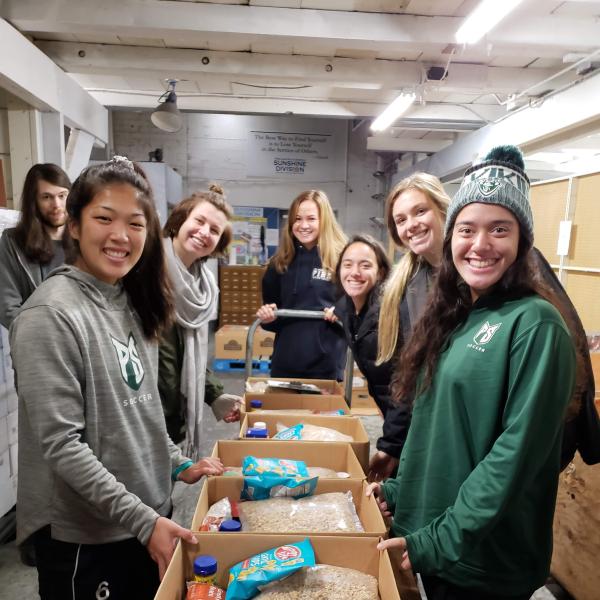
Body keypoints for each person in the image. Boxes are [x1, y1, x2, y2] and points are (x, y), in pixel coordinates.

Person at [9, 157, 223, 600]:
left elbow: (138, 409)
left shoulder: (130, 300)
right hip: (87, 537)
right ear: (73, 225)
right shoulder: (49, 315)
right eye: (104, 218)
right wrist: (144, 521)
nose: (120, 236)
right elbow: (63, 446)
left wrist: (175, 461)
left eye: (135, 223)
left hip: (143, 518)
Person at [372, 146, 580, 599]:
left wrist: (442, 537)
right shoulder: (455, 316)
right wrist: (402, 491)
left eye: (499, 230)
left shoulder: (535, 323)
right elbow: (437, 428)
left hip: (484, 557)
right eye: (467, 229)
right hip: (440, 539)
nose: (480, 244)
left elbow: (513, 456)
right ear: (452, 239)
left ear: (522, 242)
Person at [368, 173, 450, 480]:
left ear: (442, 209)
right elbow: (408, 371)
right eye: (401, 219)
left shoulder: (475, 271)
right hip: (429, 423)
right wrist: (392, 445)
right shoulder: (409, 284)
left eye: (420, 211)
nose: (410, 225)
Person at [160, 185, 242, 457]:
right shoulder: (147, 271)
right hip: (142, 413)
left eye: (215, 230)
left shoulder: (202, 285)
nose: (205, 232)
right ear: (180, 219)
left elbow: (185, 353)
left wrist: (215, 395)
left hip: (174, 415)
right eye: (199, 221)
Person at [325, 234, 410, 480]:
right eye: (348, 264)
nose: (355, 272)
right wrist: (335, 314)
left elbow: (404, 385)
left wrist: (389, 446)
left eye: (365, 265)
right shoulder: (349, 308)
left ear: (381, 272)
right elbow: (345, 312)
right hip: (391, 412)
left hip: (408, 417)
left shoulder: (389, 314)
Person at [257, 189, 347, 380]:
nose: (303, 225)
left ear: (324, 221)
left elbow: (357, 306)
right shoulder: (278, 264)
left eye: (311, 219)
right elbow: (273, 317)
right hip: (285, 363)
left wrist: (341, 309)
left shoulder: (342, 260)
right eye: (297, 219)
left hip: (326, 366)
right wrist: (267, 317)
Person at [0, 163, 71, 328]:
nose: (57, 205)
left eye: (62, 195)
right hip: (38, 344)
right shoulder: (13, 243)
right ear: (34, 201)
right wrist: (43, 336)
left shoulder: (86, 239)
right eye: (46, 197)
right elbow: (7, 307)